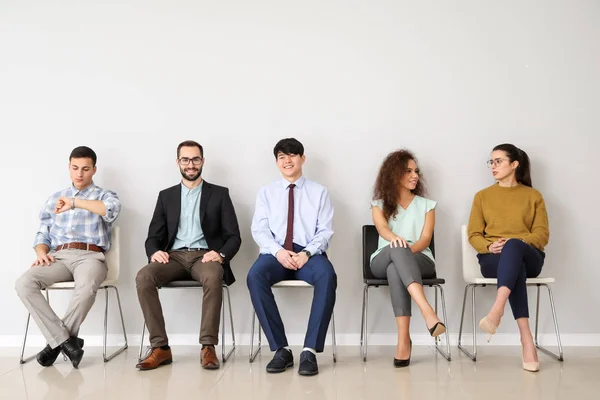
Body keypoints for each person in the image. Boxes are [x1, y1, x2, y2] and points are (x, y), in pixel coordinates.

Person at [135, 140, 241, 371]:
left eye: (195, 159)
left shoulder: (220, 194)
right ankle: (160, 348)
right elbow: (153, 236)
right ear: (178, 162)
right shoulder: (166, 196)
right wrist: (155, 252)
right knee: (144, 277)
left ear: (202, 161)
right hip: (173, 257)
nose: (190, 164)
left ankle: (208, 346)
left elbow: (234, 236)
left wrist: (221, 255)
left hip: (205, 257)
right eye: (185, 159)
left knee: (214, 277)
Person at [15, 146, 121, 368]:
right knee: (24, 283)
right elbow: (43, 231)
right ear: (69, 168)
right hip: (59, 256)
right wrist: (41, 252)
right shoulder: (54, 197)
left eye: (85, 169)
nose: (79, 174)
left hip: (91, 256)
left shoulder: (105, 195)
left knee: (87, 285)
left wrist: (74, 202)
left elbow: (109, 210)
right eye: (75, 168)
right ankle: (66, 342)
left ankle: (54, 344)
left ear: (94, 169)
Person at [247, 138, 336, 376]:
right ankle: (281, 350)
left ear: (302, 158)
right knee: (255, 275)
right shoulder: (266, 193)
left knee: (327, 275)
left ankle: (309, 350)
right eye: (282, 157)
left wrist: (306, 253)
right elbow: (260, 230)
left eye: (292, 155)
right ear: (277, 162)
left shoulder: (319, 192)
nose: (288, 161)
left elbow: (325, 230)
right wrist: (278, 251)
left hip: (308, 252)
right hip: (276, 252)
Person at [468, 143, 549, 372]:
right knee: (515, 270)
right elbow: (474, 234)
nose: (493, 166)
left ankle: (498, 309)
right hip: (493, 259)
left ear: (514, 164)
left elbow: (542, 234)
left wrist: (519, 242)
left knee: (514, 247)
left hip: (530, 256)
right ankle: (527, 340)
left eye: (498, 161)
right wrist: (489, 245)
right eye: (491, 162)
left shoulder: (533, 196)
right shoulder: (482, 197)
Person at [369, 149, 446, 367]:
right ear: (393, 174)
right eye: (408, 171)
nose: (415, 175)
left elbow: (425, 239)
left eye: (416, 171)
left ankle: (403, 340)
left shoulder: (427, 205)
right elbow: (383, 229)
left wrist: (403, 253)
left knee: (397, 268)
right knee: (396, 254)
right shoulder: (379, 205)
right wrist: (397, 244)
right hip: (382, 259)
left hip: (421, 260)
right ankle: (427, 311)